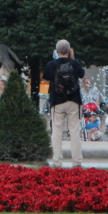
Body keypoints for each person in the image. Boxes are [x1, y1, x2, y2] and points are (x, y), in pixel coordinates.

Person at [42, 39, 84, 167]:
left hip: (57, 100)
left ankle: (57, 161)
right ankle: (76, 162)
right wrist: (73, 58)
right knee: (75, 131)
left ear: (57, 51)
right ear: (69, 50)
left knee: (57, 131)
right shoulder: (75, 63)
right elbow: (81, 74)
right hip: (74, 100)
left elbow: (46, 77)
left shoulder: (51, 64)